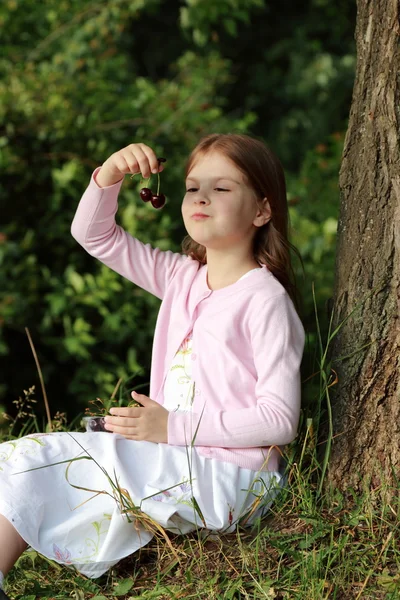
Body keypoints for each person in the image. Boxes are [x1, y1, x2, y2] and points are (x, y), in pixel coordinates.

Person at [0, 134, 305, 597]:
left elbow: (279, 420)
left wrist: (171, 426)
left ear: (262, 210)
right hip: (177, 458)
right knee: (30, 457)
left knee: (34, 458)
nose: (201, 196)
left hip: (235, 479)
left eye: (222, 188)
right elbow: (93, 235)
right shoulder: (181, 275)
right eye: (191, 186)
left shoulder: (264, 299)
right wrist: (109, 176)